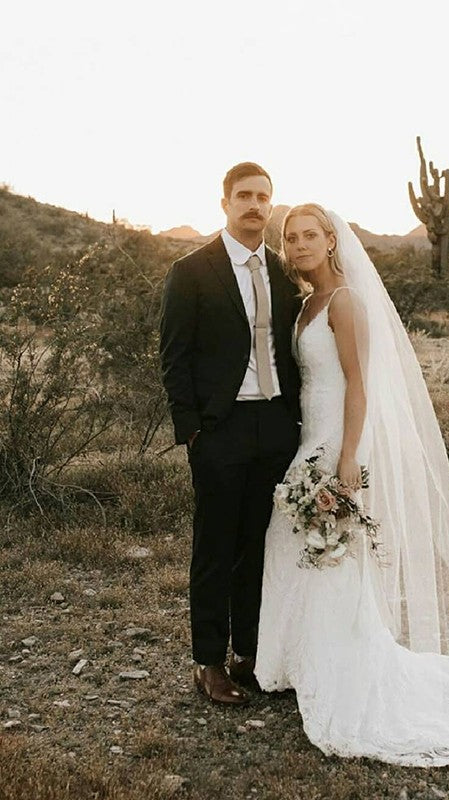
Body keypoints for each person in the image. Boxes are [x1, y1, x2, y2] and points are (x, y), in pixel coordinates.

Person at [255, 204, 449, 765]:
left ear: (331, 241)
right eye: (291, 237)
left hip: (338, 442)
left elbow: (359, 386)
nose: (298, 245)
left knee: (333, 558)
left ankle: (343, 670)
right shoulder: (306, 303)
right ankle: (299, 662)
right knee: (295, 547)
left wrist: (346, 460)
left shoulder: (344, 300)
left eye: (309, 235)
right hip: (309, 440)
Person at [159, 163, 301, 705]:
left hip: (276, 423)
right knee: (215, 546)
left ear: (272, 205)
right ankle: (208, 662)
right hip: (220, 427)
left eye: (263, 197)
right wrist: (192, 431)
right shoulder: (192, 270)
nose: (255, 206)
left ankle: (249, 652)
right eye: (244, 196)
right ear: (224, 203)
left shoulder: (286, 272)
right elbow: (174, 358)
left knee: (260, 543)